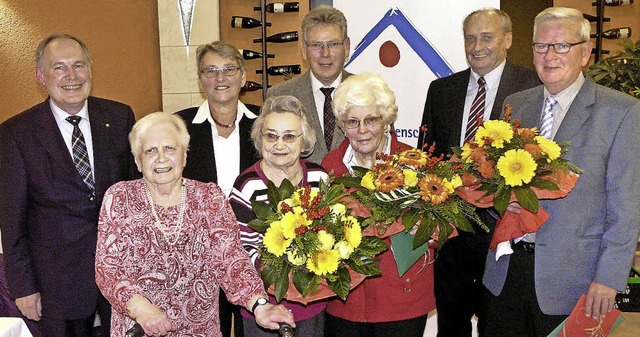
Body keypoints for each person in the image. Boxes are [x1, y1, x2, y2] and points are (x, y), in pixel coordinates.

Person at [482, 7, 640, 336]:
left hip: (575, 283)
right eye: (541, 46)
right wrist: (501, 201)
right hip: (506, 275)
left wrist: (609, 279)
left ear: (585, 52)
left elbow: (626, 208)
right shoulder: (516, 104)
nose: (550, 55)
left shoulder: (621, 112)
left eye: (562, 46)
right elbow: (494, 179)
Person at [95, 112, 295, 337]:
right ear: (138, 161)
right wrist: (141, 308)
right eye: (150, 151)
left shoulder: (209, 197)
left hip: (200, 331)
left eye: (170, 148)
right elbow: (108, 270)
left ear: (185, 156)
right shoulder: (120, 197)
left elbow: (230, 259)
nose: (161, 158)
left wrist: (259, 304)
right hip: (138, 329)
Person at [0, 33, 136, 337]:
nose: (71, 76)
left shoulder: (120, 117)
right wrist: (23, 288)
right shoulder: (16, 134)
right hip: (56, 284)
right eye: (59, 67)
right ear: (40, 76)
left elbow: (136, 196)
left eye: (78, 65)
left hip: (121, 278)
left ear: (90, 70)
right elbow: (12, 221)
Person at [416, 8, 540, 336]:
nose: (477, 45)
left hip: (505, 238)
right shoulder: (441, 90)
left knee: (499, 328)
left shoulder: (534, 88)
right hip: (452, 239)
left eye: (487, 36)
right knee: (450, 329)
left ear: (508, 39)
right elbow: (428, 158)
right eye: (470, 38)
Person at [321, 72, 435, 336]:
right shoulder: (329, 167)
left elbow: (442, 220)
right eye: (353, 121)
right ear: (342, 124)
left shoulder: (414, 163)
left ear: (385, 120)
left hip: (402, 302)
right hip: (344, 302)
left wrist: (426, 229)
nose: (362, 130)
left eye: (371, 120)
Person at [174, 40, 260, 337]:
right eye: (210, 71)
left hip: (256, 255)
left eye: (228, 69)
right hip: (200, 260)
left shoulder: (265, 123)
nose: (220, 78)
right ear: (200, 80)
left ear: (244, 76)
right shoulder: (179, 127)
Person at [230, 96, 328, 337]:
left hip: (314, 304)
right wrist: (287, 274)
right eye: (271, 136)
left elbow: (332, 233)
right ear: (260, 139)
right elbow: (240, 251)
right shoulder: (247, 186)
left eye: (289, 136)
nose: (279, 144)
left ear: (303, 140)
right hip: (264, 310)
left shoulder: (319, 177)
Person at [267, 5, 352, 164]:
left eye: (333, 44)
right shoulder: (279, 96)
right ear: (303, 50)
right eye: (316, 45)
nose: (325, 54)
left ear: (346, 47)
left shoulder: (369, 94)